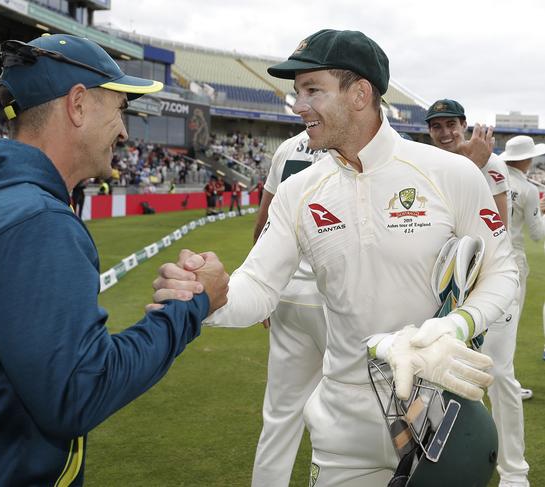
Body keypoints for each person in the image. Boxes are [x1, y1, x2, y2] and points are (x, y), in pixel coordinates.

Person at [154, 29, 518, 486]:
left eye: (312, 90)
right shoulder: (299, 192)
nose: (298, 105)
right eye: (296, 92)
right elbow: (260, 288)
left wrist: (454, 327)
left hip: (440, 415)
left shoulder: (451, 173)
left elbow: (502, 271)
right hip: (343, 423)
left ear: (360, 93)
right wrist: (207, 295)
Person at [0, 33, 229, 486]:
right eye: (119, 109)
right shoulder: (34, 223)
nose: (126, 131)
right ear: (77, 105)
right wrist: (190, 306)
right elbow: (77, 393)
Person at [427, 100, 530, 487]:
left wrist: (474, 165)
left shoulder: (492, 164)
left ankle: (514, 473)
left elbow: (495, 232)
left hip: (494, 285)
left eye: (451, 124)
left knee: (500, 374)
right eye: (436, 126)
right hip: (450, 288)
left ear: (464, 125)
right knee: (449, 375)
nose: (445, 133)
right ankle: (459, 462)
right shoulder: (429, 165)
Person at [250, 131, 328, 487]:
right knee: (352, 412)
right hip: (334, 296)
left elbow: (264, 219)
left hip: (287, 290)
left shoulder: (286, 148)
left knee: (280, 416)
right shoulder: (357, 137)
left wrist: (263, 284)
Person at [500, 136, 545, 356]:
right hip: (513, 258)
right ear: (527, 159)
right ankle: (506, 384)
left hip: (487, 254)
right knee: (510, 321)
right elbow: (537, 234)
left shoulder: (492, 179)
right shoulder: (529, 189)